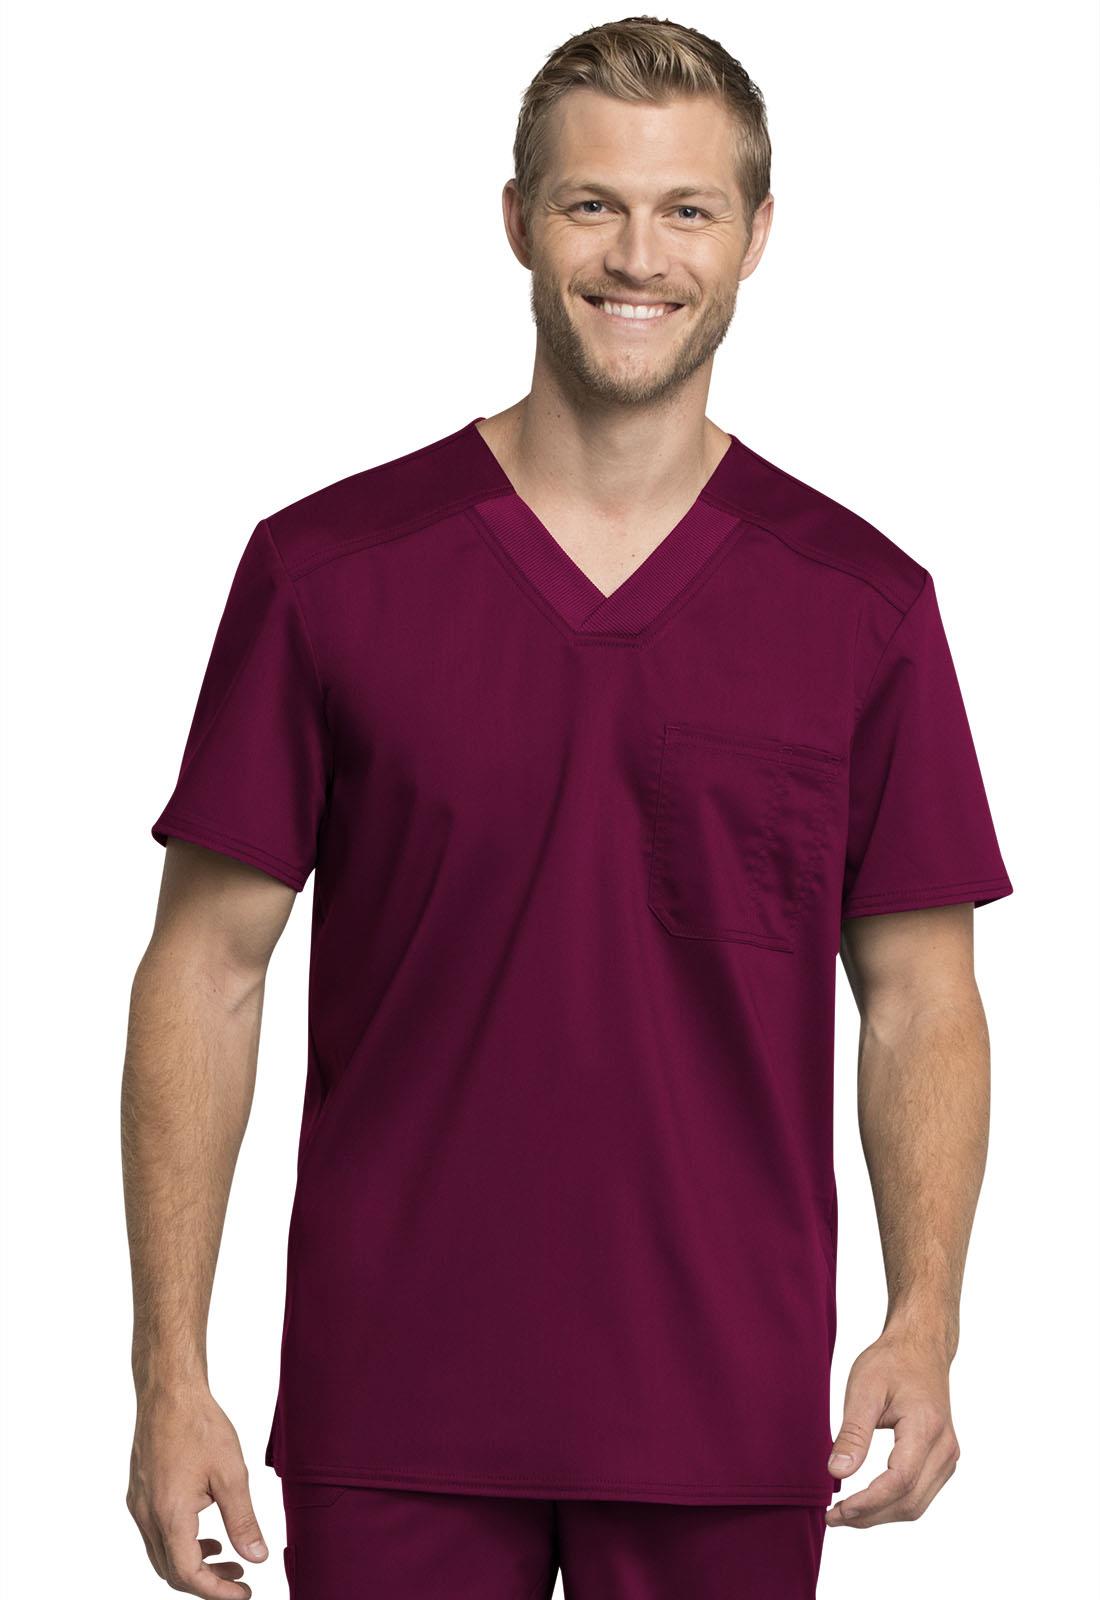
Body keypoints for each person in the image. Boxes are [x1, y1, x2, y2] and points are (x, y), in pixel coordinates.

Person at [123, 17, 1013, 1599]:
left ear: (756, 234)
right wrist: (168, 1370)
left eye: (687, 209)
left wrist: (925, 1317)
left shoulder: (860, 605)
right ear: (519, 220)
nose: (638, 255)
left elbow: (921, 998)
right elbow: (207, 971)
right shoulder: (327, 572)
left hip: (728, 1415)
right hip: (395, 1403)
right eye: (593, 203)